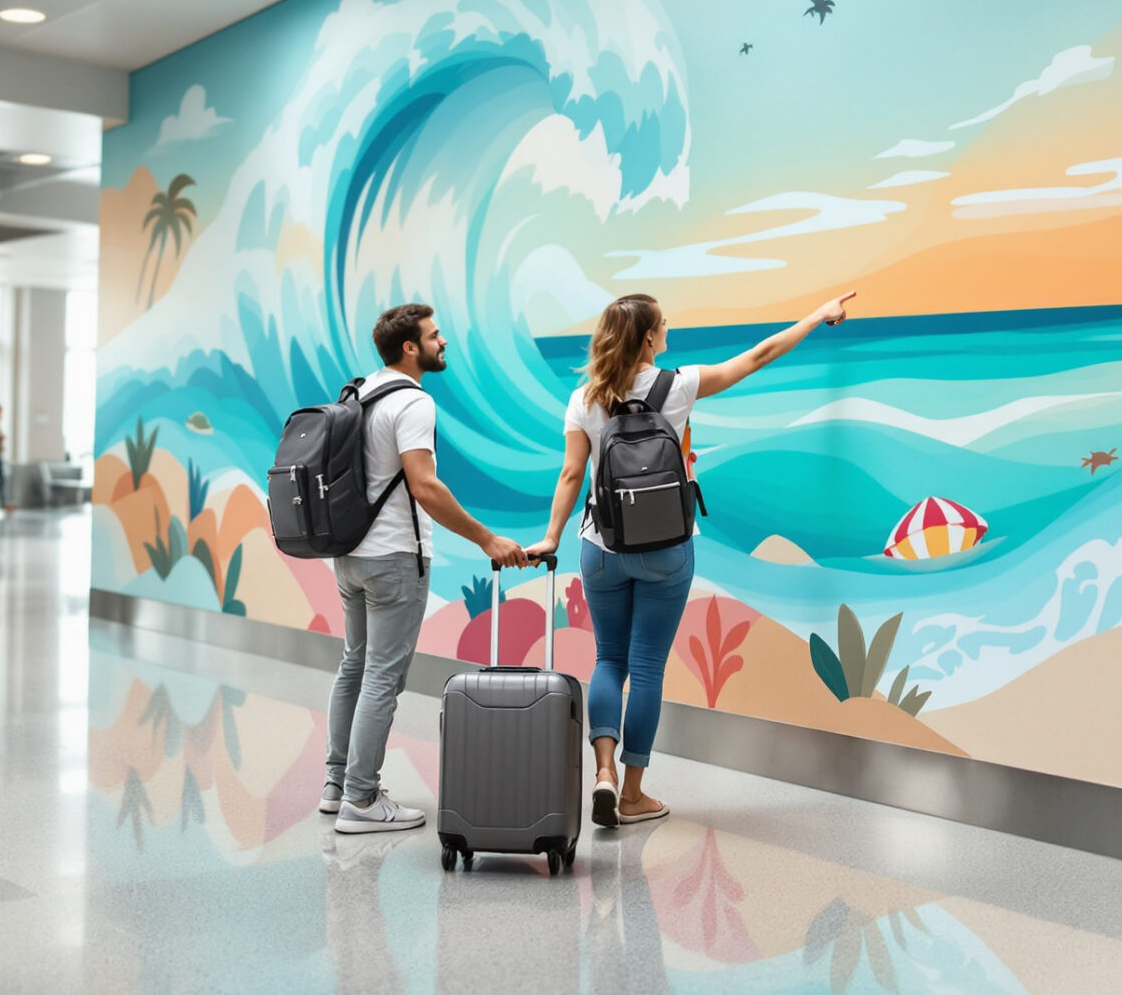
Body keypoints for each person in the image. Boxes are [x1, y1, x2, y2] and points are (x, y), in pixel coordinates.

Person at [527, 290, 856, 827]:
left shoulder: (584, 397)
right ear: (650, 337)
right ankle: (633, 793)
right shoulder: (677, 385)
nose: (667, 333)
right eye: (663, 326)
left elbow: (570, 475)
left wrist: (549, 537)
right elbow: (759, 356)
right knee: (647, 667)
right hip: (666, 551)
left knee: (608, 660)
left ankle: (603, 772)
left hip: (600, 548)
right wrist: (818, 317)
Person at [328, 302, 527, 836]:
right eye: (436, 336)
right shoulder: (413, 402)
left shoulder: (362, 392)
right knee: (381, 677)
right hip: (394, 558)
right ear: (410, 347)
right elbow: (425, 485)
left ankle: (336, 784)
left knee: (354, 664)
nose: (445, 343)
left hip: (348, 554)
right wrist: (486, 537)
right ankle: (362, 800)